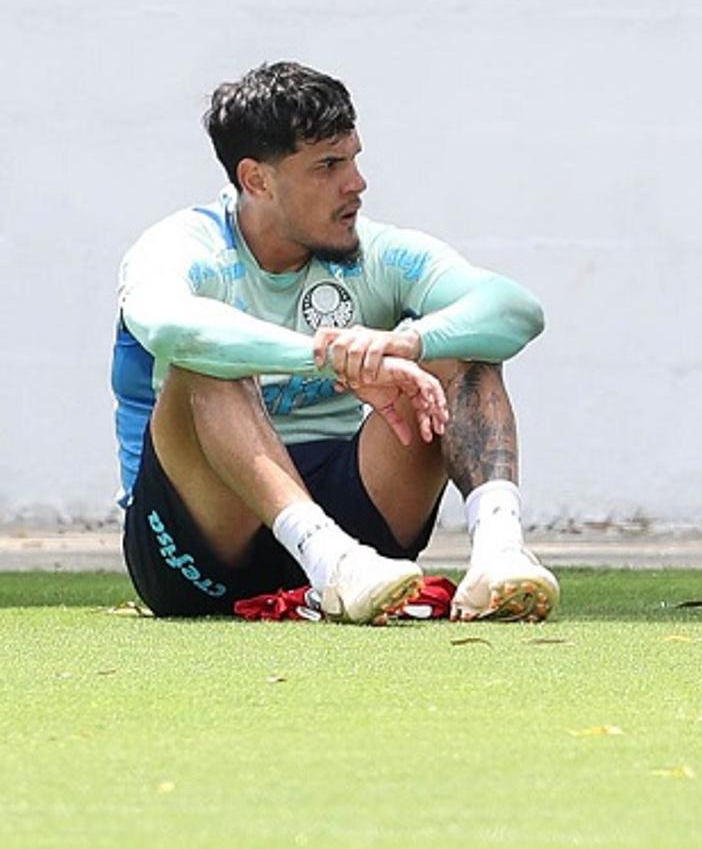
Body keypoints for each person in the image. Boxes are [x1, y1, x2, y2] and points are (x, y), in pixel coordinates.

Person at [113, 61, 558, 623]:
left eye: (353, 158)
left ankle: (499, 554)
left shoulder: (380, 254)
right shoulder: (181, 245)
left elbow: (516, 309)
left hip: (361, 535)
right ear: (257, 180)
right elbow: (171, 327)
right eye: (328, 165)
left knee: (463, 345)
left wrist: (406, 344)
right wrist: (323, 358)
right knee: (205, 359)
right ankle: (328, 559)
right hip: (200, 545)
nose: (357, 183)